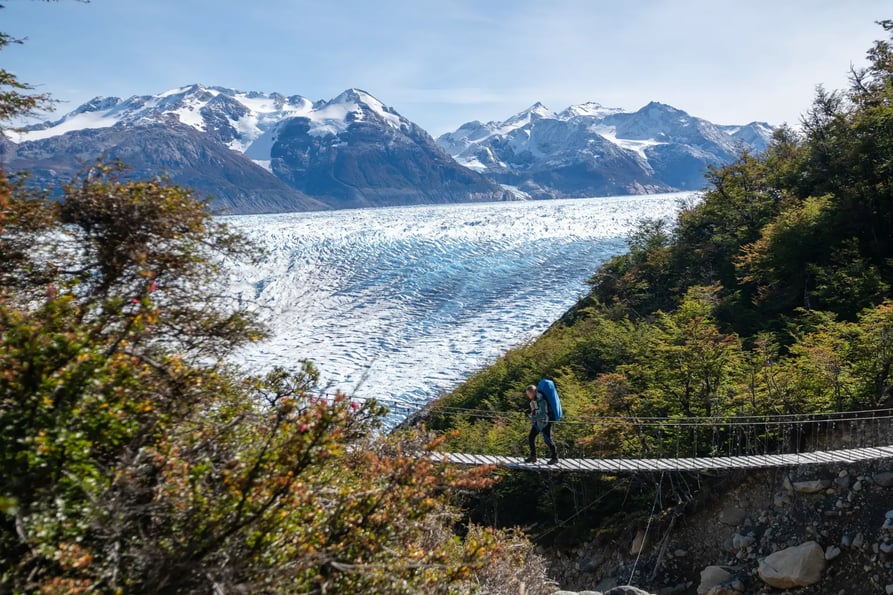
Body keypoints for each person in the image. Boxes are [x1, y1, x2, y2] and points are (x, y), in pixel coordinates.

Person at [524, 384, 558, 464]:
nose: (527, 395)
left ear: (532, 392)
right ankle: (533, 457)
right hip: (538, 422)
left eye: (528, 393)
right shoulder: (534, 400)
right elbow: (536, 411)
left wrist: (533, 418)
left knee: (548, 440)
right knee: (531, 437)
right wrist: (532, 416)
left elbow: (543, 414)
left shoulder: (541, 400)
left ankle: (555, 458)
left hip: (545, 422)